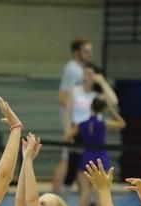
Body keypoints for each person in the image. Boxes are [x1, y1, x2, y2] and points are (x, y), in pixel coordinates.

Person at [61, 64, 119, 206]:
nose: (88, 76)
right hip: (82, 136)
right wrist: (67, 131)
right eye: (86, 73)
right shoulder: (75, 90)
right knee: (79, 184)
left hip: (89, 136)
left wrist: (102, 81)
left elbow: (113, 101)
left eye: (91, 74)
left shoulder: (97, 94)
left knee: (94, 190)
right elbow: (68, 112)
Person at [71, 97, 126, 206]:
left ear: (91, 107)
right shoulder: (103, 123)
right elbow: (122, 123)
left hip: (86, 158)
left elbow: (68, 136)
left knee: (84, 193)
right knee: (101, 194)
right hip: (101, 160)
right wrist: (111, 110)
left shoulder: (81, 124)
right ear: (102, 109)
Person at [51, 38, 93, 197]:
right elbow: (62, 96)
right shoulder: (72, 70)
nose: (89, 55)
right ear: (77, 52)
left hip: (80, 123)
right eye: (86, 51)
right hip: (72, 122)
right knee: (66, 160)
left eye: (90, 51)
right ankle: (54, 198)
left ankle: (84, 202)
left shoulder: (82, 69)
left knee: (77, 161)